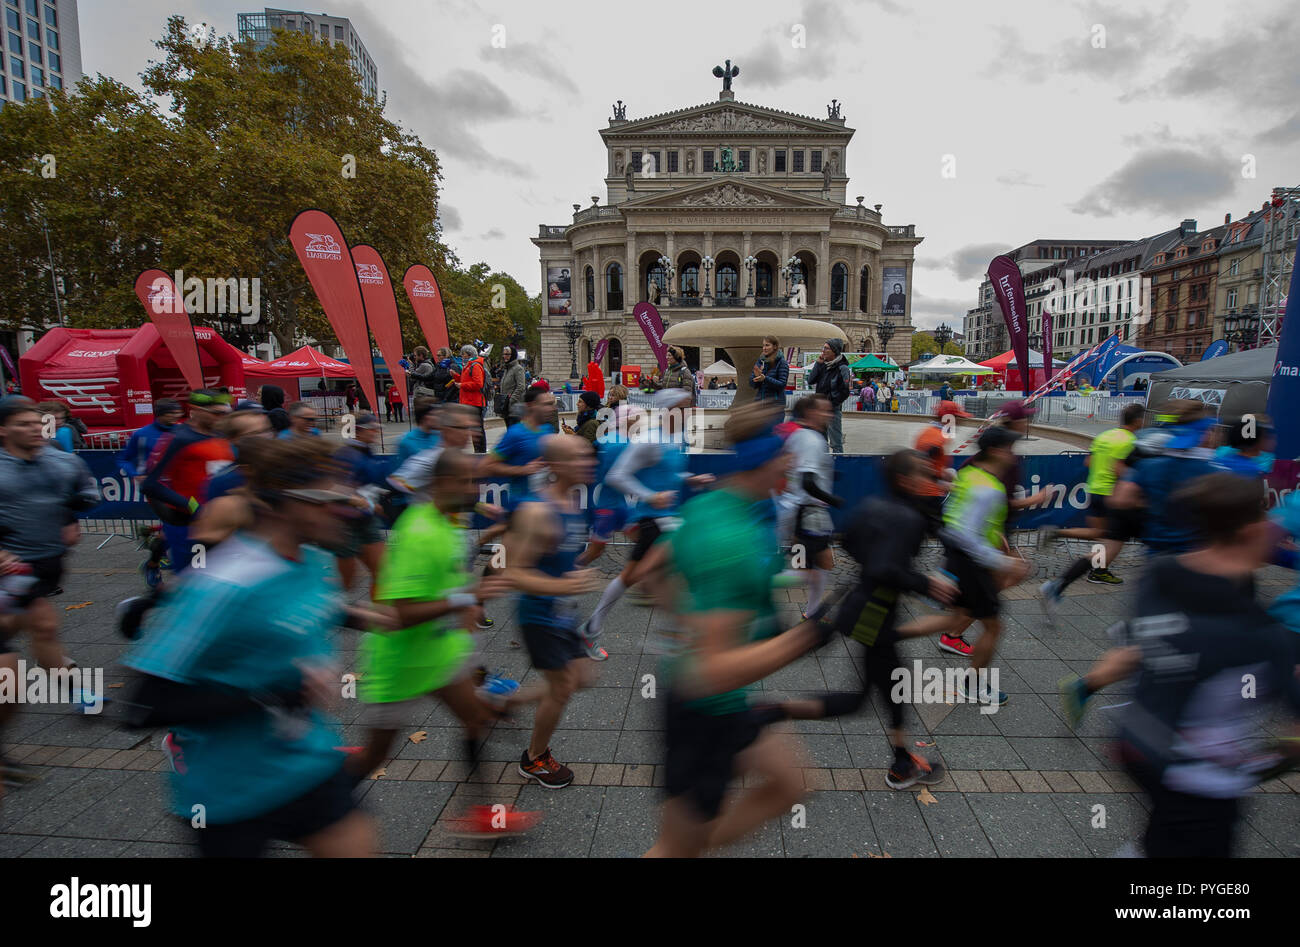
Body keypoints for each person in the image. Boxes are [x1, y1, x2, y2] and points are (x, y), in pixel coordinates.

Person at [123, 437, 383, 857]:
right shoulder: (226, 584)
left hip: (308, 763)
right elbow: (142, 705)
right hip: (227, 792)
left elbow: (304, 606)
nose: (345, 509)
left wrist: (363, 618)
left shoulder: (313, 561)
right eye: (326, 499)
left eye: (344, 495)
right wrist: (274, 696)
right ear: (278, 504)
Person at [644, 404, 834, 858]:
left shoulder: (714, 503)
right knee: (673, 848)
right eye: (786, 455)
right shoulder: (733, 541)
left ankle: (696, 847)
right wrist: (812, 634)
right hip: (702, 708)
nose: (792, 463)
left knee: (792, 781)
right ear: (768, 460)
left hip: (721, 702)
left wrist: (686, 621)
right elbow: (711, 671)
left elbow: (652, 570)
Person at [348, 448, 537, 835]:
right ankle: (321, 800)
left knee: (476, 719)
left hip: (438, 653)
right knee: (374, 755)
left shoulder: (449, 520)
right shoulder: (419, 533)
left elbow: (451, 577)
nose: (475, 488)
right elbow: (402, 613)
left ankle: (482, 814)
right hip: (399, 661)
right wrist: (467, 598)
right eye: (466, 482)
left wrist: (468, 598)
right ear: (440, 484)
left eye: (476, 481)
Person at [1109, 474, 1300, 857]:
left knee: (1160, 837)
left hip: (1136, 742)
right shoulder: (1262, 635)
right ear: (1250, 529)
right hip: (1200, 781)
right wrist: (1265, 764)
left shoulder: (1158, 576)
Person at [895, 426, 1032, 705]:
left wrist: (994, 538)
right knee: (993, 627)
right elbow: (967, 534)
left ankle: (886, 634)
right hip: (972, 563)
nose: (1013, 456)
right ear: (995, 451)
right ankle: (972, 685)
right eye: (1009, 449)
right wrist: (1004, 562)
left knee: (956, 619)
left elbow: (953, 518)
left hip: (961, 557)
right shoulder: (988, 488)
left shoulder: (969, 474)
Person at [502, 435, 605, 787]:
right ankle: (535, 759)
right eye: (580, 458)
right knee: (562, 688)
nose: (589, 462)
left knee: (583, 678)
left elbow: (557, 558)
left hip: (561, 612)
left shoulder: (572, 501)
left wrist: (573, 571)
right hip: (539, 617)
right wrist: (566, 585)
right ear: (556, 467)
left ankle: (505, 702)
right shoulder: (536, 511)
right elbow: (513, 572)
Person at [581, 388, 714, 660]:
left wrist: (691, 479)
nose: (690, 411)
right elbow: (618, 476)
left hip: (667, 519)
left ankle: (596, 628)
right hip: (652, 520)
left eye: (690, 406)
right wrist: (651, 496)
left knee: (637, 577)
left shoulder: (675, 438)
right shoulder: (650, 440)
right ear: (670, 409)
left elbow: (671, 473)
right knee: (671, 573)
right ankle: (674, 635)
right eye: (685, 406)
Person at [0, 397, 99, 683]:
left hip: (46, 560)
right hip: (10, 565)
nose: (34, 429)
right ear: (3, 430)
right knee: (41, 625)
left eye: (36, 422)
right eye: (23, 424)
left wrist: (70, 516)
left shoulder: (61, 459)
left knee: (39, 628)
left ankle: (74, 691)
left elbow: (84, 494)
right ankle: (78, 691)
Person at [1039, 403, 1145, 597]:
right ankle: (1090, 572)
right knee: (1110, 539)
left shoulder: (1105, 436)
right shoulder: (1130, 441)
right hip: (1112, 493)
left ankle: (1095, 568)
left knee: (1100, 534)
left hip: (1094, 489)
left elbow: (1088, 462)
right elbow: (1118, 469)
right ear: (1138, 421)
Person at [142, 389, 235, 573]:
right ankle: (150, 593)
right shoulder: (179, 438)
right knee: (194, 578)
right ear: (195, 410)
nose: (222, 418)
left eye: (226, 413)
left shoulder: (223, 437)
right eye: (216, 413)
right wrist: (194, 507)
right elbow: (150, 485)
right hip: (189, 525)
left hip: (220, 522)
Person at [777, 395, 841, 617]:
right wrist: (835, 501)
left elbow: (801, 471)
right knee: (817, 567)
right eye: (825, 410)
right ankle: (760, 580)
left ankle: (812, 612)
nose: (830, 415)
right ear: (811, 413)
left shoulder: (799, 435)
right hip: (810, 512)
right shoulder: (813, 440)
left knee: (810, 566)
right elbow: (807, 480)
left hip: (797, 508)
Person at [332, 413, 390, 598]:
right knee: (347, 582)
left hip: (367, 519)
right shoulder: (346, 453)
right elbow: (338, 489)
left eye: (376, 429)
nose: (376, 432)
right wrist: (366, 502)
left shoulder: (366, 451)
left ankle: (379, 621)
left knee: (383, 572)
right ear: (358, 430)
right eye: (371, 429)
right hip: (346, 522)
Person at [480, 386, 557, 513]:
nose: (552, 409)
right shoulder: (515, 434)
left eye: (552, 404)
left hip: (545, 505)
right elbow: (486, 466)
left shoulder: (548, 429)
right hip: (521, 506)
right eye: (546, 405)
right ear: (532, 405)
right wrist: (522, 470)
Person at [912, 399, 970, 534]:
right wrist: (941, 483)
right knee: (945, 532)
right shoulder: (936, 439)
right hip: (927, 495)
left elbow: (931, 463)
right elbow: (922, 466)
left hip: (926, 493)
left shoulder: (931, 432)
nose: (960, 423)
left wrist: (944, 473)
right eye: (958, 418)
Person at [805, 339, 851, 453]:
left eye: (826, 348)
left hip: (832, 410)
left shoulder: (842, 368)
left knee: (836, 443)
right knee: (821, 441)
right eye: (823, 347)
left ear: (834, 351)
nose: (823, 350)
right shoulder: (823, 365)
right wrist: (818, 364)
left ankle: (838, 466)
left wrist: (831, 404)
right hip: (819, 408)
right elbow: (810, 380)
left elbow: (845, 391)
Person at [452, 344, 489, 452]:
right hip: (470, 401)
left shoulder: (475, 366)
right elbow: (467, 380)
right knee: (475, 429)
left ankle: (480, 451)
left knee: (477, 429)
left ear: (469, 354)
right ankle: (478, 450)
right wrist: (456, 376)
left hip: (474, 402)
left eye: (463, 354)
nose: (462, 356)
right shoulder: (469, 365)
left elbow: (478, 384)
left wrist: (462, 385)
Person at [395, 398, 440, 468]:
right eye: (435, 415)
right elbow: (399, 471)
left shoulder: (440, 436)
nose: (439, 418)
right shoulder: (406, 441)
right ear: (426, 418)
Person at [750, 335, 789, 407]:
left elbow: (782, 385)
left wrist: (765, 379)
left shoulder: (782, 363)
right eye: (763, 345)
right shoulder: (760, 361)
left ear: (775, 346)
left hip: (775, 406)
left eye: (767, 345)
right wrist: (755, 378)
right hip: (760, 405)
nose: (764, 348)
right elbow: (753, 385)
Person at [499, 345, 527, 427]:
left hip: (515, 406)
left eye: (507, 354)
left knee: (514, 429)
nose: (505, 356)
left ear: (513, 355)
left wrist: (511, 400)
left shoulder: (518, 368)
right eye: (504, 354)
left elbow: (521, 386)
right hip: (507, 406)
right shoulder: (507, 369)